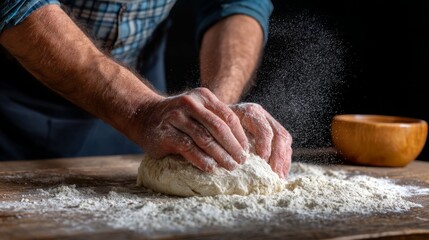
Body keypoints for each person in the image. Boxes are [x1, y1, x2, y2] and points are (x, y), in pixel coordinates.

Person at [0, 0, 292, 178]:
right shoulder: (144, 115)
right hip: (12, 111)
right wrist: (139, 110)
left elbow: (234, 3)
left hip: (132, 117)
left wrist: (216, 112)